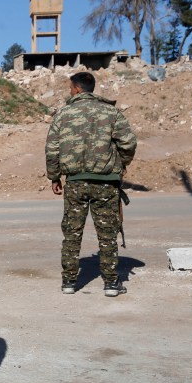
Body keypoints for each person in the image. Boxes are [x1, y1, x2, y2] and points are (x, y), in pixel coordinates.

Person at [45, 71, 137, 297]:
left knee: (72, 233)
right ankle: (111, 284)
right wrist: (121, 164)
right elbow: (128, 142)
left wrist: (54, 177)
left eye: (69, 87)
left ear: (77, 88)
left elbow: (52, 149)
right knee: (107, 234)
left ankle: (68, 282)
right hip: (106, 184)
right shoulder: (111, 112)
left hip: (75, 183)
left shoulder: (63, 114)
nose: (69, 91)